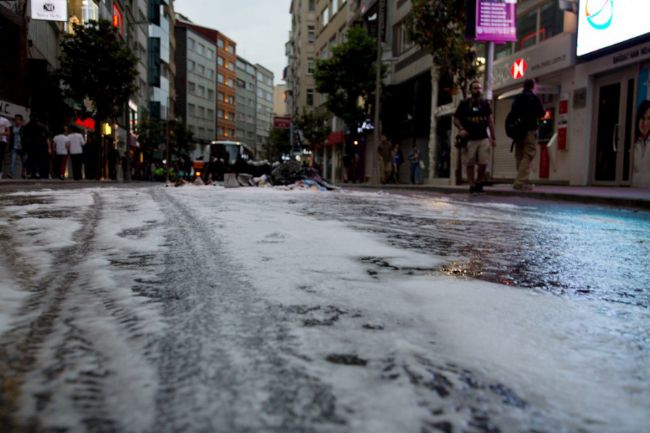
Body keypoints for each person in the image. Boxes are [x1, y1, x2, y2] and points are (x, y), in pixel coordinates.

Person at [454, 80, 496, 193]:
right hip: (469, 139)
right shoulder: (464, 104)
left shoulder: (485, 104)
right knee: (470, 163)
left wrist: (493, 137)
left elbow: (490, 121)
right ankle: (472, 184)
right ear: (471, 90)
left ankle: (478, 182)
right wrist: (461, 129)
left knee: (483, 163)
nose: (478, 90)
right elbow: (456, 119)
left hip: (483, 138)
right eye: (475, 88)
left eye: (479, 88)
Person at [510, 78, 546, 191]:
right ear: (533, 86)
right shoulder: (533, 98)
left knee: (519, 155)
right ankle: (520, 182)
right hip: (530, 130)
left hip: (518, 131)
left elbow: (512, 113)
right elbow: (541, 113)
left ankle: (521, 180)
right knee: (528, 155)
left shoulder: (517, 98)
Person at [22, 112, 51, 179]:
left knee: (32, 161)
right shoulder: (42, 126)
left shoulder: (27, 126)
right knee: (41, 161)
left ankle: (33, 174)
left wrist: (25, 146)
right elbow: (47, 137)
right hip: (40, 146)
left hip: (31, 146)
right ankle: (42, 175)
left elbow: (24, 138)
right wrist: (48, 147)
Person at [633, 99, 650, 187]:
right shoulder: (632, 144)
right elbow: (627, 178)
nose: (645, 123)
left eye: (649, 118)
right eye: (642, 118)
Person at [8, 114, 26, 179]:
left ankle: (24, 173)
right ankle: (11, 174)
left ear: (21, 121)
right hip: (14, 147)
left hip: (22, 147)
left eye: (18, 119)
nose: (16, 120)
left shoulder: (24, 128)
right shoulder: (11, 128)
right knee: (12, 161)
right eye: (15, 119)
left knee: (24, 161)